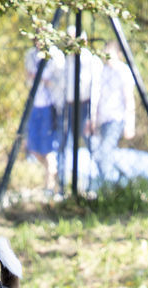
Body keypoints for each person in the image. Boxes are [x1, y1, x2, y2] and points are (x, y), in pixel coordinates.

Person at [88, 40, 136, 190]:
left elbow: (129, 98)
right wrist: (93, 120)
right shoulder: (102, 71)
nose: (107, 55)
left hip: (116, 118)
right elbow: (97, 97)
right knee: (100, 153)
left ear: (118, 54)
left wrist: (130, 122)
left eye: (110, 52)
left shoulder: (123, 71)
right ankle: (123, 179)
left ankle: (110, 187)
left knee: (105, 151)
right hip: (102, 119)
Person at [58, 30, 100, 192]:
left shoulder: (91, 61)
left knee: (91, 144)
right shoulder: (65, 61)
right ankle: (62, 185)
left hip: (85, 106)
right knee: (62, 144)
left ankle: (95, 184)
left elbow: (95, 89)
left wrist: (93, 115)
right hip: (67, 106)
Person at [24, 44, 63, 195]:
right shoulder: (30, 54)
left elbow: (57, 80)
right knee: (33, 148)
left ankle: (50, 185)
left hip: (50, 105)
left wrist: (42, 78)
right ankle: (51, 175)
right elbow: (29, 77)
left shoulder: (55, 55)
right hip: (34, 104)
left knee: (48, 149)